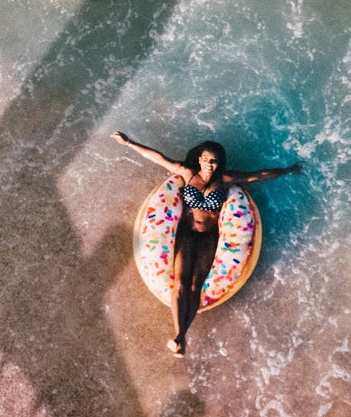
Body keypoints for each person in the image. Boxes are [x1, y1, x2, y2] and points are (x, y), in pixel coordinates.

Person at [112, 131, 302, 356]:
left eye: (213, 160)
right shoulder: (188, 174)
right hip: (187, 234)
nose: (209, 164)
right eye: (205, 159)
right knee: (181, 284)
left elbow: (258, 175)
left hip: (209, 237)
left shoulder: (225, 180)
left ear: (218, 162)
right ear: (199, 159)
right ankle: (180, 336)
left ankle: (181, 337)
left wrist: (288, 170)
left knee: (195, 286)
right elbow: (159, 158)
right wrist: (129, 143)